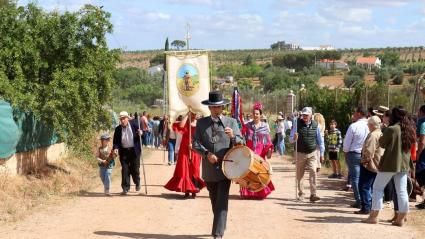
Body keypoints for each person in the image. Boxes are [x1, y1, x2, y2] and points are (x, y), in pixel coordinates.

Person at [193, 91, 244, 239]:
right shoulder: (202, 123)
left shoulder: (232, 122)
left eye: (219, 107)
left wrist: (233, 136)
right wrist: (206, 154)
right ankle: (220, 223)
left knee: (222, 199)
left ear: (223, 107)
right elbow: (195, 143)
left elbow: (242, 142)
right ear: (209, 108)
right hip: (209, 169)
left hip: (226, 168)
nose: (216, 109)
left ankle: (217, 233)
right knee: (214, 200)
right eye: (213, 107)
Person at [364, 106, 415, 226]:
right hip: (403, 164)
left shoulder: (392, 129)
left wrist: (384, 130)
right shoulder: (409, 129)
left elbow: (381, 143)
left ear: (394, 116)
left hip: (390, 164)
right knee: (401, 191)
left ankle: (374, 216)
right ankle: (401, 218)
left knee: (377, 188)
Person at [164, 112, 205, 198]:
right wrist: (187, 114)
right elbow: (181, 126)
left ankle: (194, 190)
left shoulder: (200, 124)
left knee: (194, 169)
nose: (194, 115)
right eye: (192, 113)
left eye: (195, 113)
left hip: (195, 149)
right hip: (184, 149)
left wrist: (194, 146)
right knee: (184, 169)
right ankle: (186, 190)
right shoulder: (186, 122)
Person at [240, 102, 275, 199]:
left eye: (257, 114)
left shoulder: (264, 126)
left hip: (260, 153)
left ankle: (259, 193)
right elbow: (243, 138)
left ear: (260, 115)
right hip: (249, 153)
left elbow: (267, 141)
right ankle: (248, 193)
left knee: (259, 173)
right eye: (253, 113)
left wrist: (269, 149)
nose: (255, 115)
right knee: (249, 173)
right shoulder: (247, 126)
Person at [290, 107, 325, 202]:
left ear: (310, 116)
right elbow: (290, 140)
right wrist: (294, 138)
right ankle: (301, 194)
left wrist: (322, 154)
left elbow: (320, 141)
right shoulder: (296, 124)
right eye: (303, 115)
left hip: (312, 153)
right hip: (300, 152)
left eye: (306, 115)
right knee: (300, 174)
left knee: (313, 171)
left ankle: (313, 194)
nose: (304, 116)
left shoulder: (316, 125)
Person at [356, 116, 384, 215]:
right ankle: (371, 206)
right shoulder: (380, 133)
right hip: (377, 164)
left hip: (370, 165)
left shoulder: (373, 135)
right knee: (371, 187)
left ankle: (366, 207)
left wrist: (364, 161)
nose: (367, 125)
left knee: (363, 186)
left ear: (372, 125)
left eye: (368, 124)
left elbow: (368, 151)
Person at [343, 106, 369, 209]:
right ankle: (366, 200)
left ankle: (359, 200)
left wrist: (345, 153)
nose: (353, 115)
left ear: (359, 113)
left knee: (355, 178)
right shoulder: (369, 125)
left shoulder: (354, 126)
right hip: (366, 154)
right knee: (365, 178)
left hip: (354, 154)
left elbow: (347, 143)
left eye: (354, 113)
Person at [113, 111, 142, 195]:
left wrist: (141, 133)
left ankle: (137, 182)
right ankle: (125, 188)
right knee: (125, 170)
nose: (122, 121)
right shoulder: (118, 129)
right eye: (121, 119)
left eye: (123, 118)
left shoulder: (135, 125)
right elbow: (115, 142)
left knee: (135, 169)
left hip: (134, 151)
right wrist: (115, 148)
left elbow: (143, 133)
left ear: (127, 119)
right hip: (124, 151)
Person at [415, 105, 425, 209]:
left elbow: (422, 141)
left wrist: (419, 153)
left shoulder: (422, 123)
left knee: (421, 173)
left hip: (423, 153)